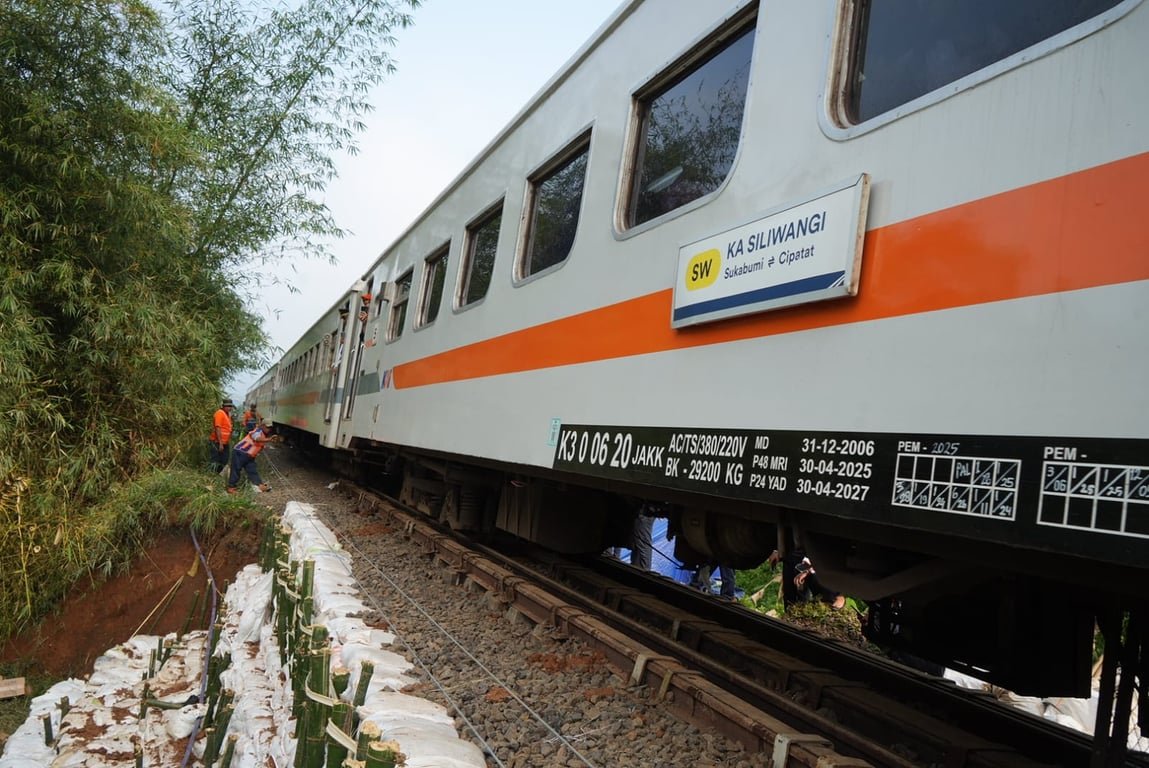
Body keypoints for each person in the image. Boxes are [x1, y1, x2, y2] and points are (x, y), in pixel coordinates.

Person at [769, 548, 845, 610]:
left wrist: (808, 569)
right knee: (790, 597)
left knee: (802, 595)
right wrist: (777, 550)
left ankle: (835, 597)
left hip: (809, 557)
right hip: (792, 556)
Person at [227, 421, 274, 494]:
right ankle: (231, 487)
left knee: (252, 470)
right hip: (240, 452)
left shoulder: (263, 435)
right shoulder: (257, 431)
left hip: (249, 455)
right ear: (262, 425)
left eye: (270, 428)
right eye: (267, 427)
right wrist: (269, 439)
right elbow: (256, 438)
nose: (269, 429)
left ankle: (259, 485)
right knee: (236, 469)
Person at [209, 398, 235, 474]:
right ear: (223, 406)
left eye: (230, 406)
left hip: (224, 442)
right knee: (215, 460)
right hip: (217, 442)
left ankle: (218, 474)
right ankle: (212, 474)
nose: (230, 408)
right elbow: (218, 428)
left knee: (224, 459)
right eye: (228, 406)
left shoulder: (227, 415)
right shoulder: (219, 413)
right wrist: (220, 443)